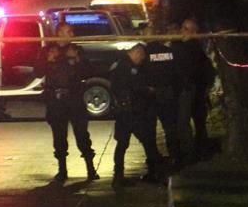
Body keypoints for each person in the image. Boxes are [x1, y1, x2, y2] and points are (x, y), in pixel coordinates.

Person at [35, 22, 99, 182]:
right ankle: (62, 170)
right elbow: (37, 72)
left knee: (82, 134)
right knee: (59, 136)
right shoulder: (47, 50)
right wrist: (49, 60)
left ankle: (90, 168)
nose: (72, 34)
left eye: (72, 32)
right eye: (69, 31)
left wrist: (76, 59)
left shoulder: (76, 50)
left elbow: (89, 71)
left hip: (74, 97)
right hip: (55, 98)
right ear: (60, 32)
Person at [110, 43, 163, 186]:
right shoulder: (126, 68)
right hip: (132, 112)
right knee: (146, 141)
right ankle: (154, 172)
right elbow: (134, 87)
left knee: (122, 144)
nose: (142, 60)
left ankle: (118, 176)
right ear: (137, 53)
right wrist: (148, 90)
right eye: (142, 56)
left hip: (125, 112)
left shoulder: (119, 65)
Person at [143, 23, 182, 166]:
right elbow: (176, 72)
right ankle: (175, 156)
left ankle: (153, 158)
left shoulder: (144, 53)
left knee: (149, 128)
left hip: (150, 95)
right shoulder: (168, 51)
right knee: (170, 127)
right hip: (167, 93)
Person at [181, 18, 216, 155]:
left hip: (196, 91)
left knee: (195, 122)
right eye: (182, 28)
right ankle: (200, 148)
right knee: (196, 122)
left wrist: (205, 88)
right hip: (194, 90)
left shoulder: (194, 49)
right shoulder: (187, 47)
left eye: (186, 29)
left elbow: (206, 71)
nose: (182, 31)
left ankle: (197, 149)